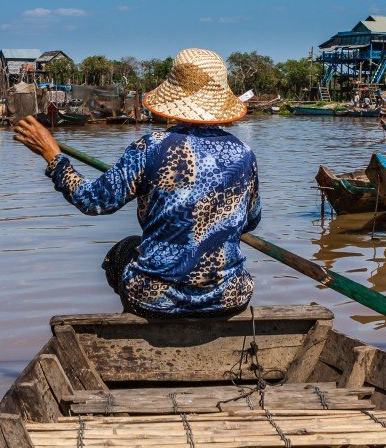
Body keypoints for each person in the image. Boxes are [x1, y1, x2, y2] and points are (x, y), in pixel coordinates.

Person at [14, 48, 260, 318]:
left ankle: (134, 325)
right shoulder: (244, 153)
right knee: (134, 246)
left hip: (155, 298)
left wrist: (54, 157)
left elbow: (93, 201)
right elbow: (250, 220)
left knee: (120, 254)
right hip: (230, 295)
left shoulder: (151, 147)